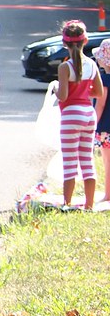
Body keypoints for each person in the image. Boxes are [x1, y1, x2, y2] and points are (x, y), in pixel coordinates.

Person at [55, 20, 103, 209]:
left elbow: (63, 95)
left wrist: (56, 89)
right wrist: (84, 92)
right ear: (86, 41)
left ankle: (67, 203)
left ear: (64, 43)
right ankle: (89, 204)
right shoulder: (91, 64)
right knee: (87, 159)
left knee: (69, 161)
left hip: (70, 115)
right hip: (88, 114)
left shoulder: (65, 67)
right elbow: (98, 93)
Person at [92, 39, 110, 206]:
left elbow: (100, 105)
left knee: (107, 162)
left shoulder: (104, 80)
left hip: (106, 129)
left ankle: (108, 195)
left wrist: (92, 125)